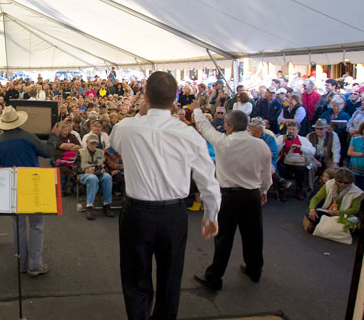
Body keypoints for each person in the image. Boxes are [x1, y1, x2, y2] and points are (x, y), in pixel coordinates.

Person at [109, 72, 220, 320]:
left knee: (135, 280)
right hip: (173, 214)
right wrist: (211, 215)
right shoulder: (189, 134)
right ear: (175, 100)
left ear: (145, 96)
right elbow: (208, 179)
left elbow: (113, 143)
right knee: (170, 280)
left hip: (136, 214)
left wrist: (140, 113)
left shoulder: (125, 127)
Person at [191, 103, 272, 292]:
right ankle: (254, 270)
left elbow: (203, 126)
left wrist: (196, 109)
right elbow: (266, 174)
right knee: (253, 235)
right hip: (252, 195)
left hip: (228, 196)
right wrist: (264, 191)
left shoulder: (223, 142)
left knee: (224, 238)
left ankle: (214, 277)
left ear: (229, 126)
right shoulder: (261, 145)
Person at [0, 106, 60, 277]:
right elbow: (48, 152)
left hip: (10, 185)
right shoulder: (28, 137)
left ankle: (21, 263)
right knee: (36, 225)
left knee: (17, 225)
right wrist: (53, 136)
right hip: (31, 183)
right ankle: (35, 265)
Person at [306, 168, 363, 241]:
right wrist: (312, 209)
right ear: (335, 180)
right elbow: (316, 198)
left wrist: (338, 212)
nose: (342, 184)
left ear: (350, 182)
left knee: (353, 225)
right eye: (340, 182)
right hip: (328, 212)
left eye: (346, 183)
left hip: (344, 215)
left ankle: (322, 227)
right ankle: (331, 230)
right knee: (309, 213)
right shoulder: (329, 184)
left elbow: (355, 210)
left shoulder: (356, 192)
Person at [73, 134, 114, 220]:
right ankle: (89, 206)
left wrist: (104, 170)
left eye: (95, 143)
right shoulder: (80, 152)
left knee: (107, 177)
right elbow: (75, 168)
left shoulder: (101, 152)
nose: (93, 145)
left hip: (98, 173)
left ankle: (107, 204)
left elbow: (106, 166)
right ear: (87, 142)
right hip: (84, 174)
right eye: (91, 143)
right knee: (93, 179)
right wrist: (85, 171)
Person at [276, 121, 316, 200]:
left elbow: (312, 151)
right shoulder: (281, 137)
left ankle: (299, 188)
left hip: (298, 161)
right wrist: (283, 143)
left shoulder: (303, 140)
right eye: (289, 129)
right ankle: (282, 190)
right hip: (285, 160)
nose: (291, 131)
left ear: (298, 130)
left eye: (293, 129)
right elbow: (275, 151)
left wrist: (300, 147)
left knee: (300, 169)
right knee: (281, 167)